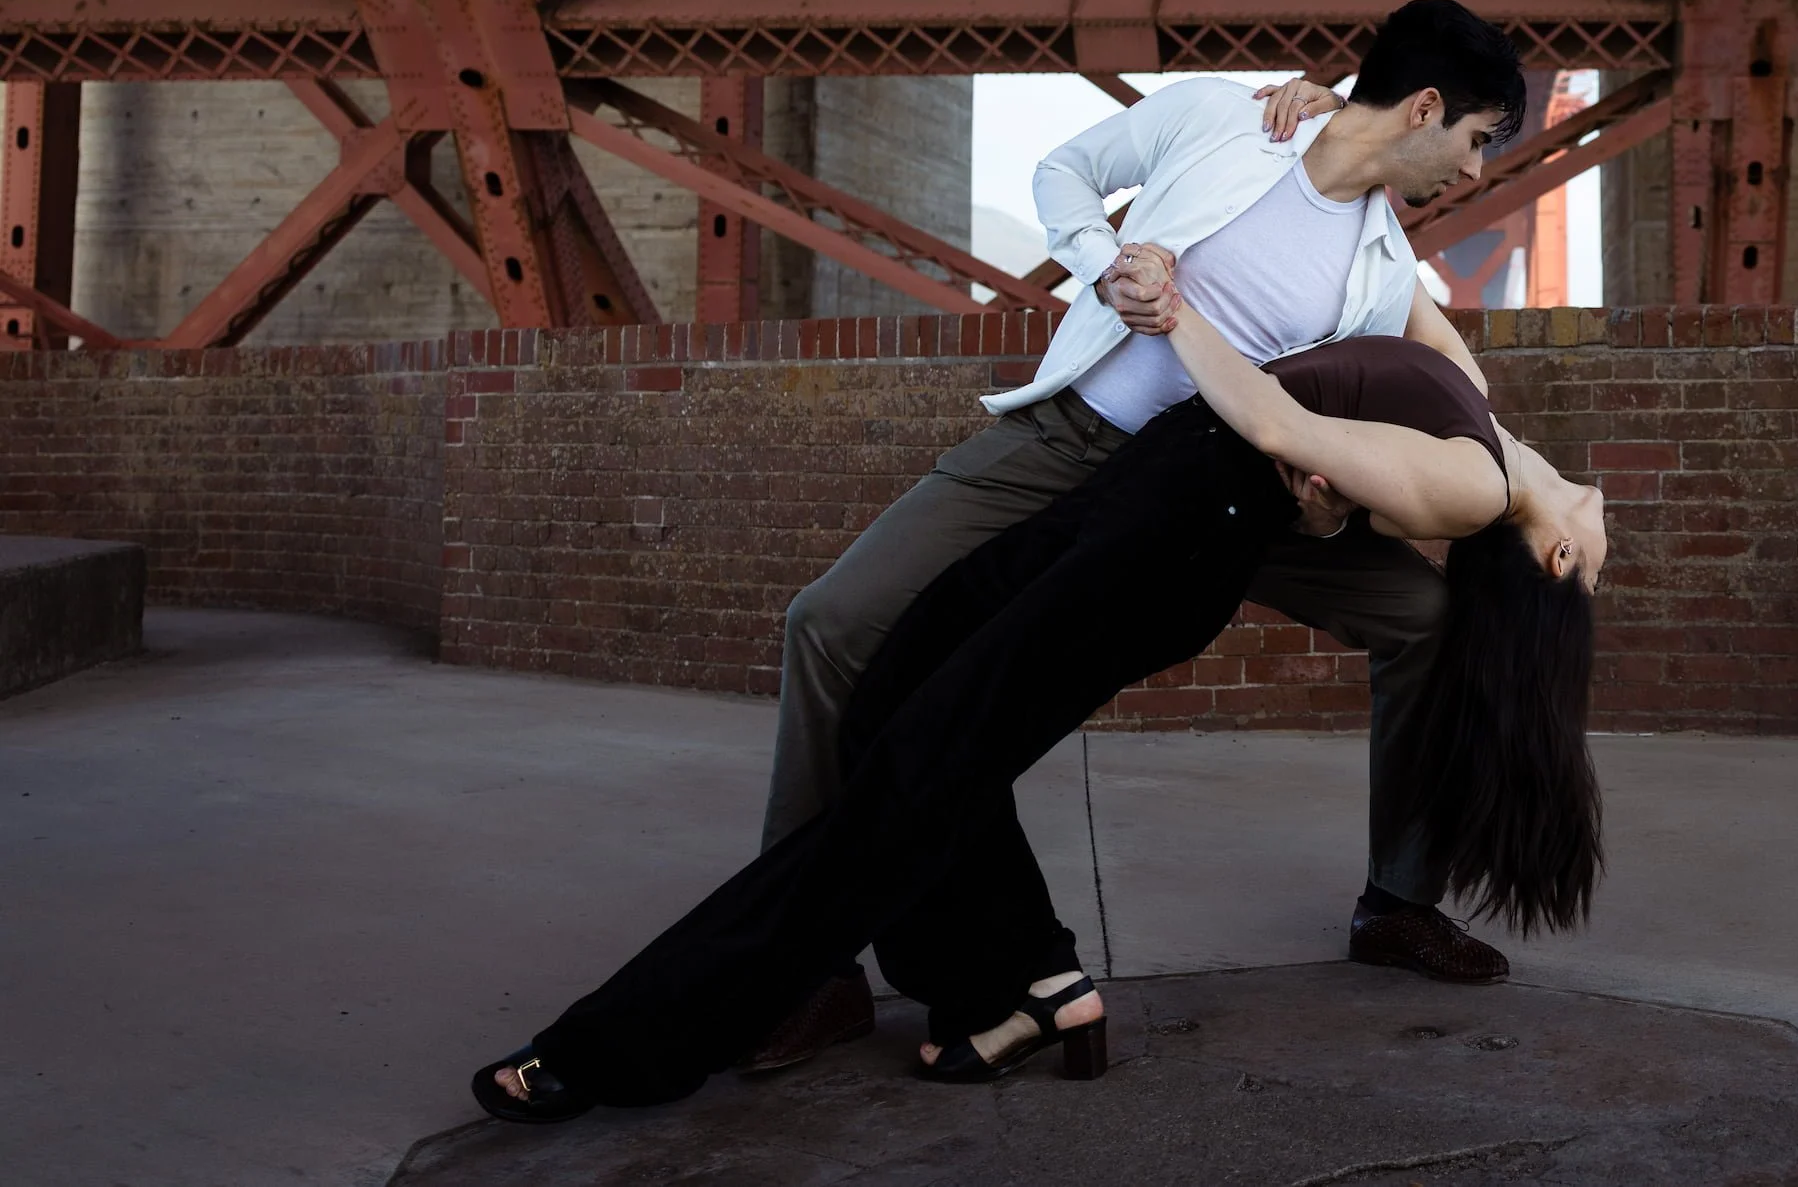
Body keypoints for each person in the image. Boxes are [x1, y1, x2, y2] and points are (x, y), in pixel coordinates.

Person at [470, 289, 1606, 1122]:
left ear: (1554, 553)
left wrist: (1173, 310)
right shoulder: (1486, 418)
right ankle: (1027, 983)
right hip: (1141, 493)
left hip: (1174, 538)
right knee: (886, 703)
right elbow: (1367, 363)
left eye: (1589, 565)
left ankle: (627, 1040)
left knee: (914, 777)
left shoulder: (1481, 484)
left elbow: (1274, 429)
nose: (1600, 539)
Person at [744, 0, 1577, 1071]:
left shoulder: (1379, 276)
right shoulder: (1225, 121)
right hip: (1067, 440)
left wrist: (1334, 497)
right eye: (1472, 140)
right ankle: (802, 966)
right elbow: (1064, 170)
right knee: (833, 620)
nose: (1470, 173)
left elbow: (1387, 415)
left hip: (1221, 495)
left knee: (1426, 612)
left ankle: (1398, 901)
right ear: (1423, 105)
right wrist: (1104, 260)